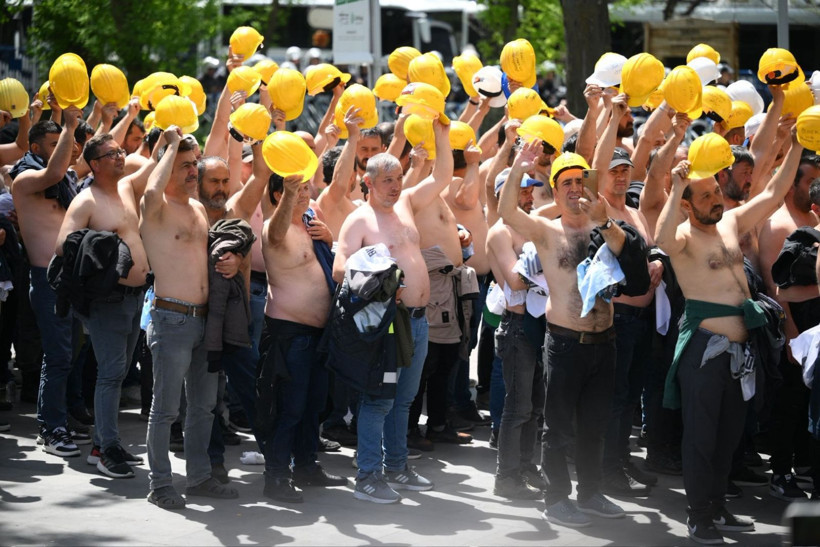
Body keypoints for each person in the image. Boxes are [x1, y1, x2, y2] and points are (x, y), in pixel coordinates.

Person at [654, 128, 803, 544]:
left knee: (729, 434)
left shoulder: (730, 222)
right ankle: (698, 514)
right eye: (704, 197)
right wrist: (677, 185)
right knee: (702, 435)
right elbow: (661, 239)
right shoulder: (683, 237)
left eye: (716, 191)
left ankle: (717, 506)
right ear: (686, 204)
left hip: (742, 349)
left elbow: (773, 194)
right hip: (706, 347)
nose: (716, 199)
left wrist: (795, 145)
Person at [497, 142, 627, 528]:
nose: (574, 188)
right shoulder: (546, 231)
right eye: (565, 182)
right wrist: (519, 167)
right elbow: (506, 213)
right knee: (557, 429)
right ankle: (556, 498)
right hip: (566, 343)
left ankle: (590, 493)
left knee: (595, 424)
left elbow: (631, 253)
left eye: (579, 180)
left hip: (606, 342)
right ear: (554, 192)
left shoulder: (603, 227)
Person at [333, 120, 452, 504]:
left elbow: (443, 176)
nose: (395, 185)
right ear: (368, 183)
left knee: (404, 399)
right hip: (385, 324)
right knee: (379, 400)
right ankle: (368, 475)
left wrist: (442, 133)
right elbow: (340, 268)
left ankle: (397, 466)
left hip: (418, 320)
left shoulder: (406, 205)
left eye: (398, 177)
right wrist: (381, 278)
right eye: (386, 179)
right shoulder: (359, 219)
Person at [141, 127, 237, 510]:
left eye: (194, 164)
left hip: (205, 320)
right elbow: (150, 190)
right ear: (167, 167)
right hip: (171, 318)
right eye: (184, 166)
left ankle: (198, 478)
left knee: (203, 407)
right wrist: (168, 148)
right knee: (165, 410)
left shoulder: (199, 209)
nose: (192, 172)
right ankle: (160, 484)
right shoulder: (157, 207)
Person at [54, 133, 151, 478]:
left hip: (135, 298)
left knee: (120, 372)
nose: (121, 157)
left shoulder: (125, 188)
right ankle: (103, 449)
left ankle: (105, 440)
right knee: (111, 373)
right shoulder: (86, 200)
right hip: (107, 302)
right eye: (112, 154)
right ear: (94, 164)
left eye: (121, 151)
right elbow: (64, 244)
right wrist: (106, 247)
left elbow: (154, 168)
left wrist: (169, 142)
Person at [259, 170, 343, 504]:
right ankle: (276, 477)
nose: (305, 193)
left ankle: (306, 465)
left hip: (319, 334)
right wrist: (291, 195)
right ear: (279, 194)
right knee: (288, 408)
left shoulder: (311, 224)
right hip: (290, 334)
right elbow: (277, 232)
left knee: (313, 405)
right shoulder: (273, 228)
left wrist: (330, 237)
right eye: (295, 189)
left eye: (306, 187)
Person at [11, 110, 84, 457]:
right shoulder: (24, 181)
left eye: (64, 144)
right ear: (36, 146)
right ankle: (51, 428)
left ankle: (64, 418)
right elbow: (54, 170)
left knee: (69, 356)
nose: (63, 151)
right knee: (56, 357)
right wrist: (69, 125)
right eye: (54, 145)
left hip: (71, 278)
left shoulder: (65, 180)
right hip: (45, 279)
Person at [487, 167, 545, 500]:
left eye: (529, 190)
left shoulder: (532, 226)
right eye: (521, 191)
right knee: (518, 407)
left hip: (539, 323)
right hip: (517, 326)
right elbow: (515, 280)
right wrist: (549, 262)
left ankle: (525, 468)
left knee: (535, 407)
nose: (527, 196)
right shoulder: (500, 232)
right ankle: (506, 478)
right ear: (503, 196)